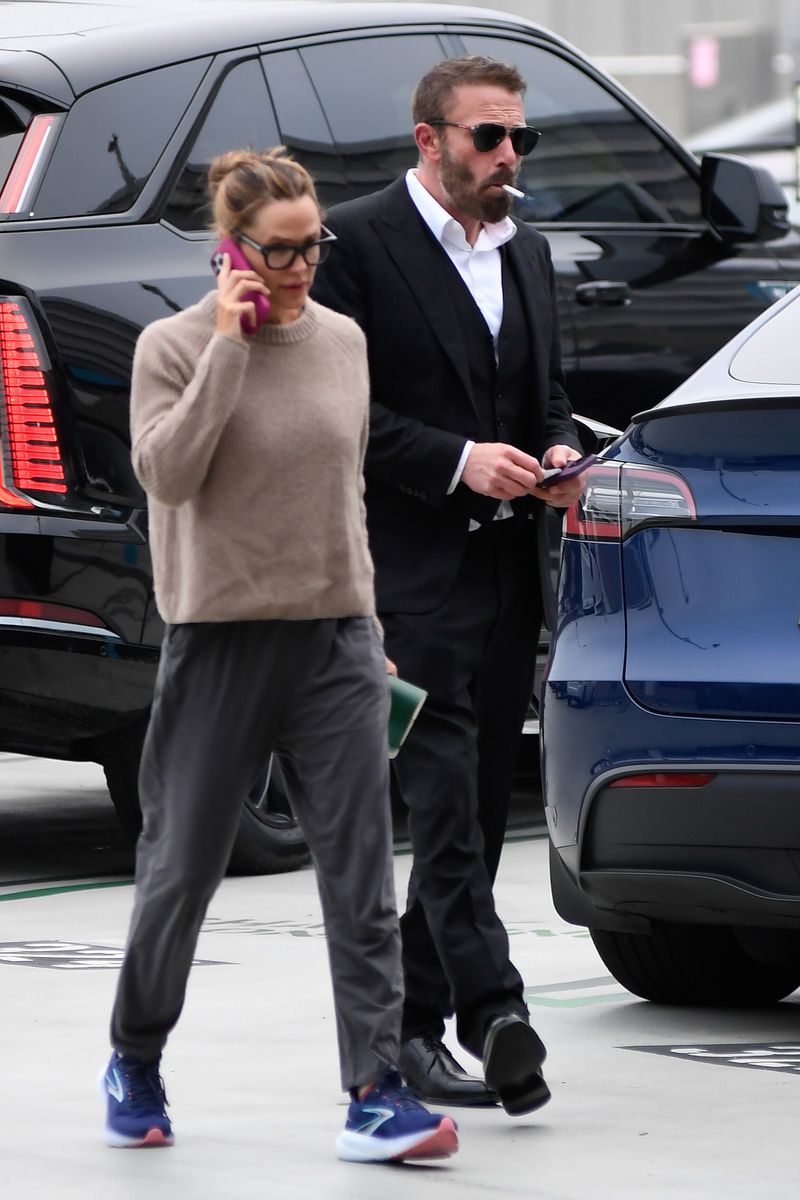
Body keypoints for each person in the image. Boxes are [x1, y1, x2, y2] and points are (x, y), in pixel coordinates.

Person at [98, 146, 459, 1165]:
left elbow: (344, 493)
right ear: (232, 251)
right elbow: (167, 475)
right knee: (181, 871)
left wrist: (372, 631)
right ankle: (133, 1055)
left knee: (358, 878)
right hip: (220, 641)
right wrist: (225, 346)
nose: (301, 268)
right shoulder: (170, 347)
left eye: (313, 248)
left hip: (336, 638)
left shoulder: (342, 340)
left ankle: (373, 1089)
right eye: (280, 252)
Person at [312, 56, 586, 1116]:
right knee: (440, 806)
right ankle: (494, 1011)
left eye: (519, 138)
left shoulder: (527, 251)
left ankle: (416, 1033)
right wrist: (454, 459)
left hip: (505, 575)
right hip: (404, 574)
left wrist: (554, 457)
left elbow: (545, 397)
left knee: (470, 803)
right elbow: (342, 415)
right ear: (427, 141)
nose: (507, 156)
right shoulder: (356, 243)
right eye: (487, 137)